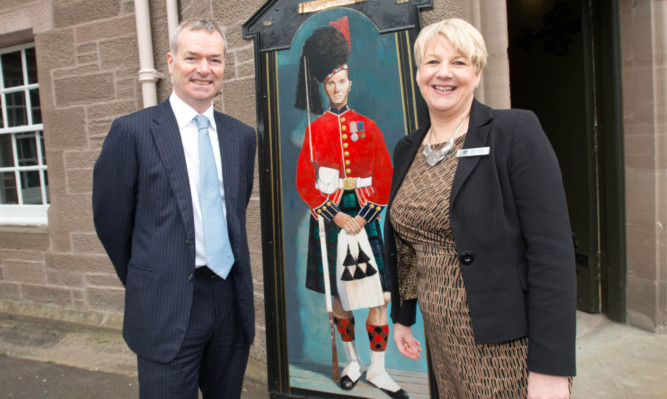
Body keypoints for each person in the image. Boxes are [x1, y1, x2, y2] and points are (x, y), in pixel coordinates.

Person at [384, 18, 576, 398]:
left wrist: (551, 367)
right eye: (432, 61)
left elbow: (552, 253)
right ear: (419, 72)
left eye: (458, 62)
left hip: (505, 347)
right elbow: (407, 247)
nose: (443, 73)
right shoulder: (408, 148)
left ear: (476, 72)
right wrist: (403, 317)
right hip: (441, 342)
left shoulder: (515, 131)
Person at [92, 19, 256, 399]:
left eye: (214, 59)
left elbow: (235, 208)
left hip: (230, 301)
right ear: (170, 62)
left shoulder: (241, 137)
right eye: (192, 57)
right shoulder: (131, 133)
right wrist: (149, 275)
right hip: (165, 307)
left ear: (224, 66)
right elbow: (111, 222)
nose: (204, 69)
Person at [294, 18, 408, 399]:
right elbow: (304, 182)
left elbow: (384, 174)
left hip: (365, 214)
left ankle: (377, 370)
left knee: (378, 296)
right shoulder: (314, 132)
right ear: (324, 86)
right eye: (330, 82)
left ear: (350, 83)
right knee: (339, 297)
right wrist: (335, 215)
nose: (337, 87)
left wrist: (364, 215)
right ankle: (352, 360)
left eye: (342, 80)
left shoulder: (369, 126)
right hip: (331, 217)